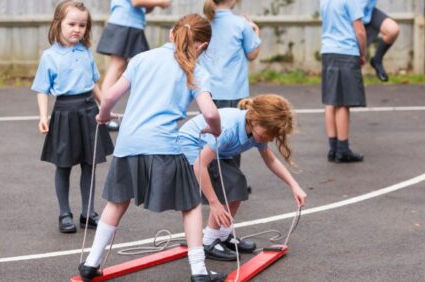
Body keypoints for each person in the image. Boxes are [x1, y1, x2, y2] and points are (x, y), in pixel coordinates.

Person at [78, 14, 226, 282]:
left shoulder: (142, 58)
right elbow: (211, 113)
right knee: (192, 204)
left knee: (117, 202)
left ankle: (91, 262)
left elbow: (110, 94)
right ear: (201, 46)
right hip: (163, 145)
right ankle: (199, 270)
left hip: (128, 144)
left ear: (172, 33)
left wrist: (103, 115)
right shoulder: (195, 70)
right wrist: (215, 129)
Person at [178, 94, 307, 261]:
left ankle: (223, 236)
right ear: (254, 119)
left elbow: (270, 159)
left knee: (237, 183)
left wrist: (294, 185)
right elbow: (199, 165)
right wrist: (214, 203)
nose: (269, 138)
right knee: (226, 184)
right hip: (191, 148)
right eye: (268, 133)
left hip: (215, 153)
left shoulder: (257, 130)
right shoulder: (229, 129)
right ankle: (209, 241)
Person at [31, 0, 114, 234]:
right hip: (65, 113)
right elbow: (42, 89)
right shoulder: (49, 56)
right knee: (64, 165)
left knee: (90, 164)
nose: (77, 29)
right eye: (72, 24)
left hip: (89, 111)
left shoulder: (86, 52)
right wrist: (43, 116)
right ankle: (64, 214)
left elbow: (93, 84)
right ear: (58, 24)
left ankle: (88, 213)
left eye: (82, 25)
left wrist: (104, 107)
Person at [201, 0, 261, 177]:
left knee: (210, 137)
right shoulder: (241, 24)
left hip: (208, 92)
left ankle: (210, 177)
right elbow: (252, 53)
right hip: (235, 91)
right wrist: (256, 32)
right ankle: (231, 180)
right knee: (235, 136)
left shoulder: (204, 24)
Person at [96, 0, 172, 131]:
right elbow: (136, 2)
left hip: (130, 24)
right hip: (124, 23)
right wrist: (161, 2)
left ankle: (107, 113)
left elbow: (143, 8)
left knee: (137, 68)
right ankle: (104, 113)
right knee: (119, 66)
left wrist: (155, 4)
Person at [320, 0, 366, 163]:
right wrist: (362, 52)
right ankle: (343, 149)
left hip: (327, 51)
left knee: (330, 101)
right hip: (345, 51)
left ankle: (333, 148)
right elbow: (359, 30)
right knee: (343, 102)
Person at [362, 0, 400, 82]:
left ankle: (377, 60)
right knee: (356, 60)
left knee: (392, 29)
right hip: (350, 13)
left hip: (368, 11)